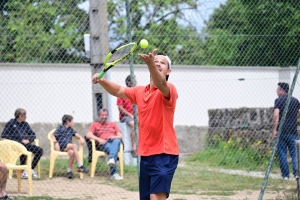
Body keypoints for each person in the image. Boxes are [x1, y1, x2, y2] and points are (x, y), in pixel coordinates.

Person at [92, 49, 179, 200]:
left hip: (164, 154)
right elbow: (119, 90)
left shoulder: (169, 89)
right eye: (155, 61)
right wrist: (102, 81)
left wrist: (151, 64)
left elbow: (160, 82)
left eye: (162, 63)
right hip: (146, 154)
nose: (158, 63)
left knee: (156, 197)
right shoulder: (140, 91)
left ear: (168, 70)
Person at [1, 108, 43, 179]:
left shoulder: (25, 124)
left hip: (25, 145)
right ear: (20, 116)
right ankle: (23, 172)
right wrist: (20, 140)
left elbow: (33, 134)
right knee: (23, 151)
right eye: (24, 115)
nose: (26, 117)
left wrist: (29, 140)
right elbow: (4, 135)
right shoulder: (11, 123)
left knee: (39, 150)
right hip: (14, 145)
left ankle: (30, 169)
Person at [85, 109, 123, 180]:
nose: (104, 117)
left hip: (114, 141)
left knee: (117, 140)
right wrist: (99, 139)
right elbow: (88, 135)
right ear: (99, 116)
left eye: (106, 115)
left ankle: (111, 160)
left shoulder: (113, 124)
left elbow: (120, 136)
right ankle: (114, 173)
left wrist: (114, 137)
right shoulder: (95, 124)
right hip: (104, 143)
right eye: (102, 115)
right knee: (113, 149)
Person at [273, 82, 300, 180]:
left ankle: (285, 175)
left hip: (282, 131)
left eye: (277, 89)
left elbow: (276, 115)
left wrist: (275, 129)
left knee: (282, 152)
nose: (276, 91)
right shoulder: (295, 100)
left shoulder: (278, 101)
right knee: (295, 153)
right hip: (293, 130)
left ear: (281, 90)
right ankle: (297, 173)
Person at [51, 115, 89, 179]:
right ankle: (80, 166)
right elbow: (53, 136)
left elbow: (77, 135)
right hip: (61, 146)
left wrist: (81, 138)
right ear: (68, 121)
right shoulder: (60, 127)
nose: (73, 123)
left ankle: (69, 171)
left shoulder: (71, 130)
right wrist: (56, 143)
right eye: (72, 121)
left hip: (68, 147)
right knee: (74, 146)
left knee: (72, 153)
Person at [117, 75, 137, 157]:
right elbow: (120, 108)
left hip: (134, 116)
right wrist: (130, 115)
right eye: (134, 81)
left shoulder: (136, 93)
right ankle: (133, 148)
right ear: (128, 83)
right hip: (125, 117)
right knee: (134, 124)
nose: (136, 83)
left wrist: (137, 115)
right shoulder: (122, 93)